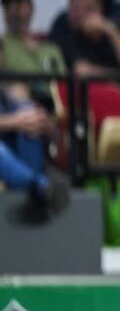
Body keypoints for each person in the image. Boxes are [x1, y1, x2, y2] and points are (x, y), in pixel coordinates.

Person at [0, 81, 68, 222]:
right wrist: (14, 122)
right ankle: (43, 186)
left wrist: (41, 122)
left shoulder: (11, 89)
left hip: (17, 153)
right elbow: (15, 121)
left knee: (28, 113)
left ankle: (39, 186)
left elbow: (54, 134)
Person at [49, 0, 120, 75]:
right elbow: (82, 71)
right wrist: (119, 75)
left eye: (88, 8)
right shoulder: (63, 33)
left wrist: (111, 31)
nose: (80, 14)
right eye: (75, 9)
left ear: (99, 10)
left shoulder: (110, 34)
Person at [2, 0, 64, 105]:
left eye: (19, 7)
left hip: (52, 104)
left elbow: (62, 83)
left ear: (31, 9)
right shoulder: (2, 44)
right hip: (17, 104)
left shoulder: (50, 49)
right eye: (8, 8)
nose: (14, 12)